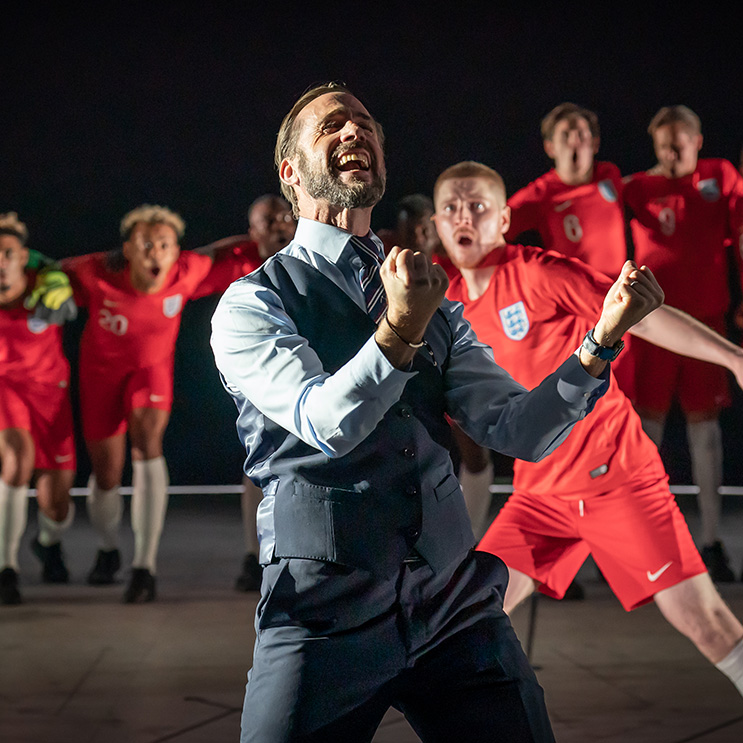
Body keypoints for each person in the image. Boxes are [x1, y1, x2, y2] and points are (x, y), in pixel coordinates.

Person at [210, 82, 661, 743]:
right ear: (289, 172)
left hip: (452, 601)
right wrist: (397, 328)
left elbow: (518, 430)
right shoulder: (252, 305)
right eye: (331, 126)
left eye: (366, 125)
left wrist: (599, 341)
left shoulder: (433, 303)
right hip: (322, 611)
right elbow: (324, 421)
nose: (354, 133)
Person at [433, 160, 743, 698]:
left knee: (708, 625)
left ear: (504, 219)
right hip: (540, 498)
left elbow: (639, 313)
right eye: (452, 208)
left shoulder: (540, 273)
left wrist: (733, 357)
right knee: (465, 618)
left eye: (477, 206)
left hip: (617, 480)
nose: (465, 217)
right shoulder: (446, 303)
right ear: (437, 223)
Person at [62, 205, 247, 603]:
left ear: (176, 251)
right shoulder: (95, 271)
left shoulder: (188, 270)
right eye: (146, 245)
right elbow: (42, 272)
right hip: (100, 382)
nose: (155, 254)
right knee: (106, 475)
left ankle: (144, 567)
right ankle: (109, 548)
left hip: (150, 375)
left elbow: (231, 252)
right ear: (127, 249)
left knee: (148, 444)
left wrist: (273, 234)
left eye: (164, 245)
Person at [623, 105, 743, 582]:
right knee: (646, 434)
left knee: (705, 434)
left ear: (698, 139)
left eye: (681, 141)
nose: (673, 151)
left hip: (708, 322)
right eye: (664, 143)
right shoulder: (636, 187)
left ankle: (711, 541)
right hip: (652, 324)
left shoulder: (721, 175)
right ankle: (641, 544)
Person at [192, 194, 297, 592]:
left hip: (311, 372)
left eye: (286, 217)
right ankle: (255, 558)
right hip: (260, 379)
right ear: (253, 232)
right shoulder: (238, 261)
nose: (280, 225)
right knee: (258, 466)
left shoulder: (314, 253)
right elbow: (186, 270)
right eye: (268, 221)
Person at [0, 213, 77, 605]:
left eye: (7, 253)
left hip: (51, 398)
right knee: (16, 459)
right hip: (5, 391)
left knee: (57, 504)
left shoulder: (48, 285)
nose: (0, 260)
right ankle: (6, 568)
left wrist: (55, 275)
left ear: (22, 257)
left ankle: (48, 543)